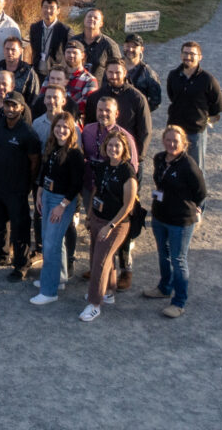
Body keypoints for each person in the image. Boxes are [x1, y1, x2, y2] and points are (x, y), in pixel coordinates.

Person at [145, 125, 208, 318]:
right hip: (160, 216)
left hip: (180, 221)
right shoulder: (159, 159)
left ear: (184, 144)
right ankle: (164, 287)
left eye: (176, 141)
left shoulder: (188, 166)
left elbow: (201, 192)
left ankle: (179, 302)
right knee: (163, 254)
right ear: (163, 140)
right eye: (168, 140)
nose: (171, 144)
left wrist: (194, 207)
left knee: (178, 260)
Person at [79, 131, 139, 322]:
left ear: (124, 149)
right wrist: (89, 215)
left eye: (117, 146)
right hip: (97, 217)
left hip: (116, 224)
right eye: (110, 145)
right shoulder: (102, 166)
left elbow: (128, 205)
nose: (113, 149)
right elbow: (96, 190)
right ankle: (108, 291)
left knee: (101, 262)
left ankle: (94, 304)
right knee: (98, 255)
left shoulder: (127, 172)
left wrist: (111, 226)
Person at [0, 92, 41, 281]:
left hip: (17, 188)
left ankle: (21, 265)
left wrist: (27, 183)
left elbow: (34, 161)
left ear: (22, 108)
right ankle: (0, 254)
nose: (10, 109)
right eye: (7, 105)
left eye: (14, 106)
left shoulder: (28, 133)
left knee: (20, 227)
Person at [31, 112, 85, 305]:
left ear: (71, 130)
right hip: (47, 196)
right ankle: (58, 278)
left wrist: (62, 206)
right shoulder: (52, 147)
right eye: (58, 126)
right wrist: (39, 192)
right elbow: (45, 170)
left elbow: (76, 184)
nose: (61, 130)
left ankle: (49, 291)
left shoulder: (75, 154)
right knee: (51, 242)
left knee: (51, 245)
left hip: (61, 202)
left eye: (65, 127)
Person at [165, 41, 222, 176]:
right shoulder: (173, 75)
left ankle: (196, 197)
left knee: (195, 169)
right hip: (175, 129)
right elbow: (172, 96)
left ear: (199, 57)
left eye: (192, 54)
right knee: (173, 165)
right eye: (185, 53)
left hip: (195, 131)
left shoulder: (208, 79)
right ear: (181, 55)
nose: (188, 57)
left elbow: (217, 104)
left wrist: (201, 117)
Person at [0, 36, 39, 110]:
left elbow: (33, 99)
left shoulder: (28, 72)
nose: (9, 52)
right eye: (7, 49)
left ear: (20, 51)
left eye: (13, 50)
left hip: (19, 113)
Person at [73, 8, 121, 79]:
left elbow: (118, 69)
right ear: (84, 20)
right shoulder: (74, 41)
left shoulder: (109, 45)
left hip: (100, 88)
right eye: (89, 16)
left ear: (101, 23)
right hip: (74, 87)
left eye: (95, 18)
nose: (92, 19)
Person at [29, 0, 70, 77]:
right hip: (37, 72)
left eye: (52, 8)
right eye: (45, 7)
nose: (48, 10)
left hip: (55, 75)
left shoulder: (65, 31)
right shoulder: (34, 28)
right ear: (41, 9)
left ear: (58, 11)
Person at [123, 34, 164, 114]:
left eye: (134, 47)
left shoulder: (149, 74)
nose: (130, 49)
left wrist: (140, 112)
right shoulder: (114, 67)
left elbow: (155, 101)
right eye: (127, 46)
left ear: (142, 49)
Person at [62, 39, 99, 118]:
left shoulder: (90, 80)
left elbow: (85, 105)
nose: (71, 55)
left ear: (82, 55)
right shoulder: (54, 75)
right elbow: (42, 96)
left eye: (75, 53)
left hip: (75, 121)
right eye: (68, 52)